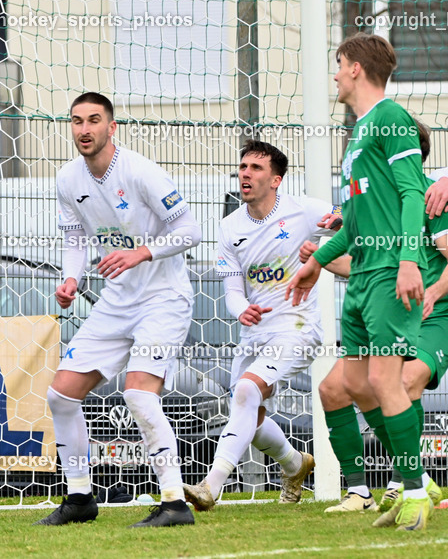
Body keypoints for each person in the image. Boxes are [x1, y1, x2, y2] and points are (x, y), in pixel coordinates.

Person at [286, 33, 431, 531]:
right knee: (353, 382)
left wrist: (410, 260)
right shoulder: (360, 131)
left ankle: (413, 491)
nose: (334, 74)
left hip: (390, 270)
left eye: (339, 64)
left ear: (355, 70)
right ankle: (419, 481)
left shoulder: (392, 119)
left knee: (385, 381)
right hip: (362, 276)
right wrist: (316, 262)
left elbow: (414, 193)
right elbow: (353, 218)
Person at [37, 92, 202, 528]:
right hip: (116, 299)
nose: (84, 129)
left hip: (163, 298)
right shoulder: (67, 179)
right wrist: (72, 279)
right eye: (77, 121)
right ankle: (79, 497)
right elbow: (75, 239)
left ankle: (174, 504)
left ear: (112, 128)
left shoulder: (141, 171)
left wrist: (141, 253)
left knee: (138, 393)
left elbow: (190, 230)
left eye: (94, 120)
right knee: (61, 395)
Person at [182, 140, 333, 512]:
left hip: (297, 325)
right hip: (255, 332)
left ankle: (210, 487)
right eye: (243, 166)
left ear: (277, 179)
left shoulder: (304, 211)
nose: (245, 173)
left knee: (247, 391)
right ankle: (296, 465)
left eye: (256, 168)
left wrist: (325, 252)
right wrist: (241, 310)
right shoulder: (230, 226)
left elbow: (350, 223)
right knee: (250, 412)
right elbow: (232, 288)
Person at [303, 122, 445, 516]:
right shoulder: (374, 203)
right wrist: (319, 257)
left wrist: (432, 292)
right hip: (390, 309)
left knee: (402, 379)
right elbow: (359, 264)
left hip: (436, 314)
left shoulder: (433, 196)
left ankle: (406, 482)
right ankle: (360, 492)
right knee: (335, 388)